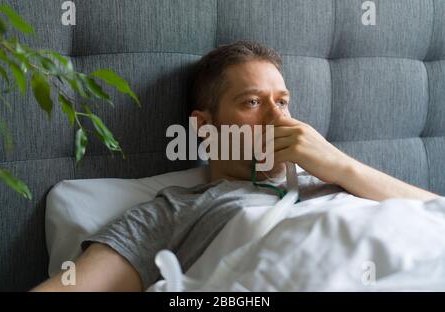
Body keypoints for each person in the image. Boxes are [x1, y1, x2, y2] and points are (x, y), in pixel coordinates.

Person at [32, 41, 439, 292]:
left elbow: (435, 214)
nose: (279, 119)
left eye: (282, 101)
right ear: (205, 127)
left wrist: (340, 166)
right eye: (252, 102)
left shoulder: (340, 177)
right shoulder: (174, 211)